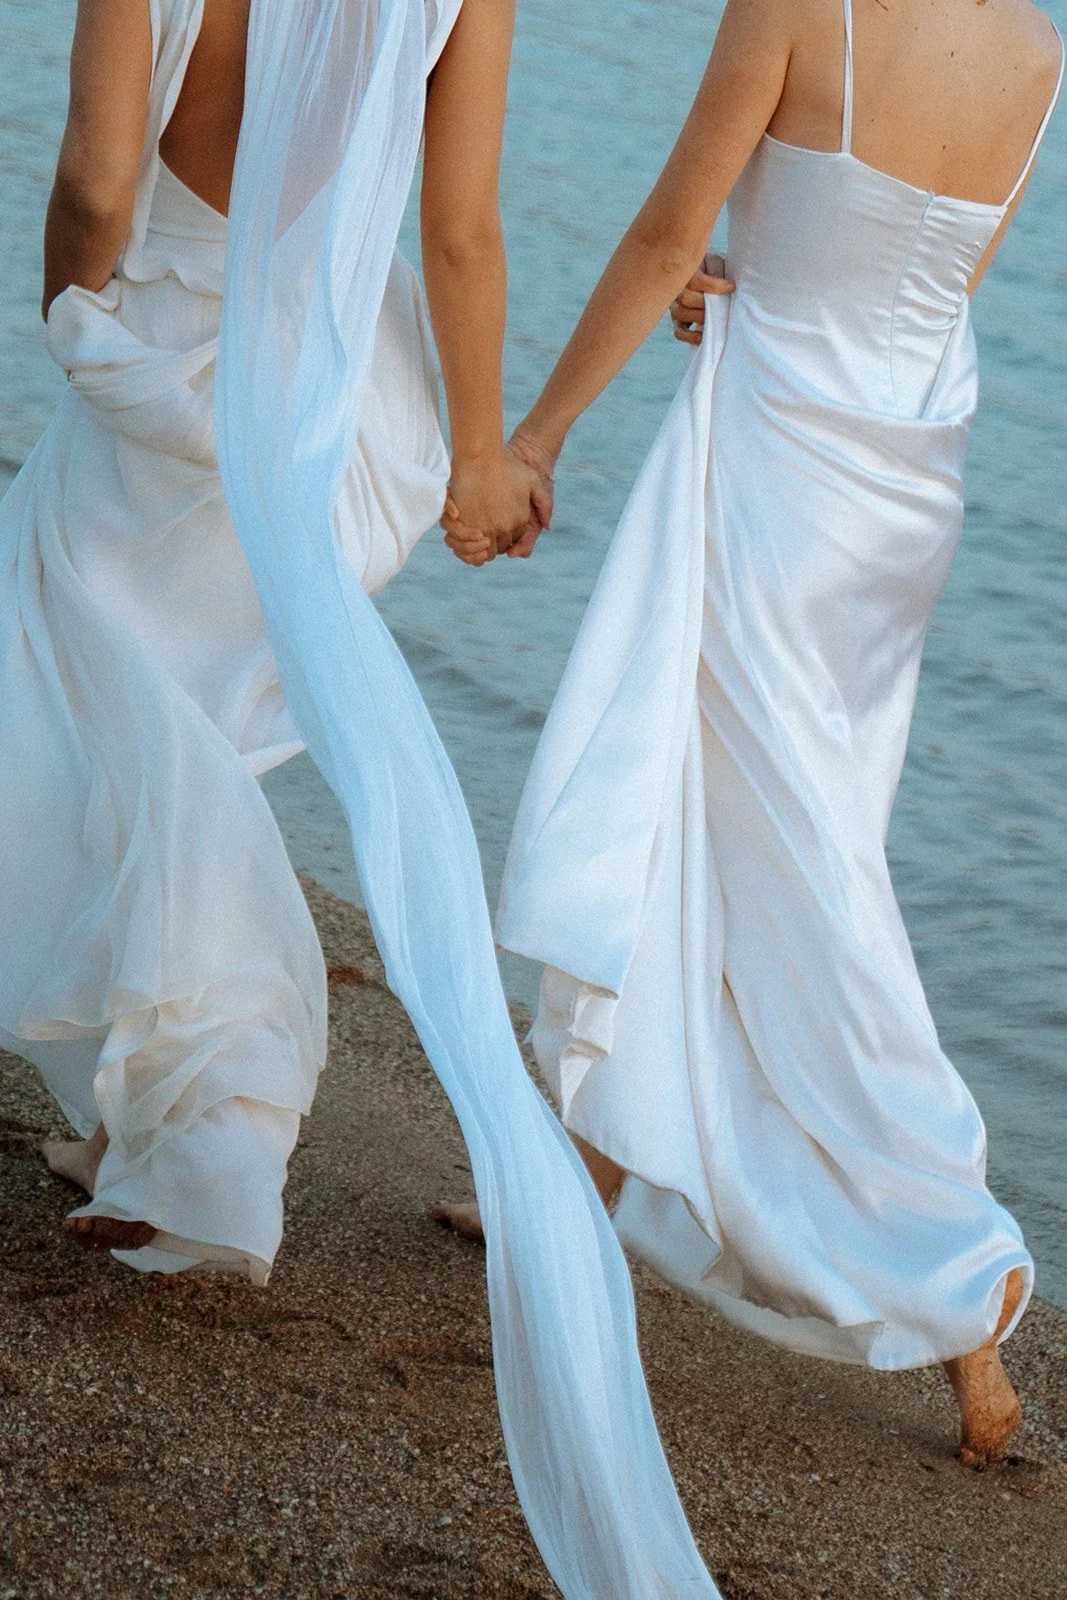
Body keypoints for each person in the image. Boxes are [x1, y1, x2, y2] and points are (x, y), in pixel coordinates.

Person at [1, 1, 724, 1589]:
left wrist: (70, 306)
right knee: (186, 736)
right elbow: (457, 234)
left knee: (82, 698)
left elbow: (102, 182)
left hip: (170, 367)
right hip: (337, 405)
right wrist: (482, 456)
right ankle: (165, 1122)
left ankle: (211, 1140)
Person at [437, 0, 1063, 1470]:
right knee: (726, 800)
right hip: (899, 483)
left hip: (784, 461)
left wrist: (532, 440)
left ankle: (961, 1276)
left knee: (798, 860)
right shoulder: (1040, 50)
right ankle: (580, 1166)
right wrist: (770, 288)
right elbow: (937, 282)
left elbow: (669, 229)